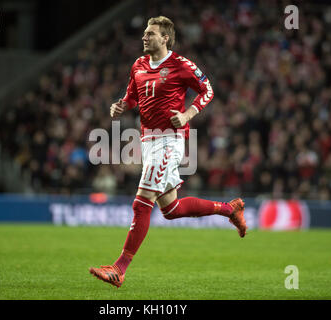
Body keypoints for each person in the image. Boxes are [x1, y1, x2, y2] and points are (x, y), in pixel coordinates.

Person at [89, 16, 247, 288]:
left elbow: (207, 90)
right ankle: (229, 209)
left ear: (165, 38)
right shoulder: (138, 65)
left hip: (169, 140)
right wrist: (120, 106)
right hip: (148, 141)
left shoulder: (180, 65)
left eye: (150, 34)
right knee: (171, 209)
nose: (144, 37)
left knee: (141, 203)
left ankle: (119, 268)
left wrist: (188, 114)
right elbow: (132, 96)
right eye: (144, 33)